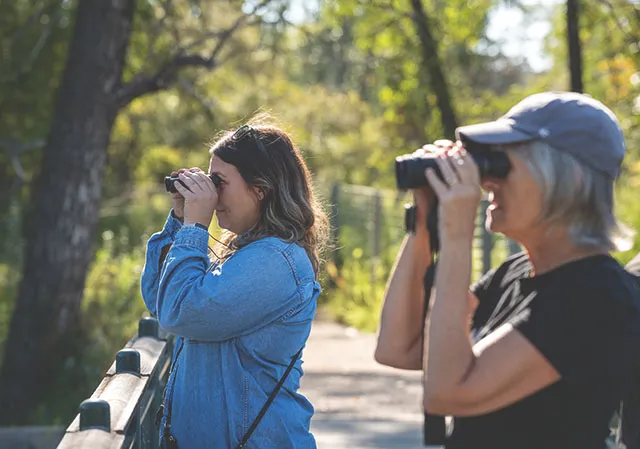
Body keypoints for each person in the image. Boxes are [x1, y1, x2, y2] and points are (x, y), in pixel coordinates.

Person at [374, 91, 640, 449]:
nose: (487, 182)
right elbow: (399, 347)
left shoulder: (596, 295)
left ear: (570, 180)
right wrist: (423, 222)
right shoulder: (517, 271)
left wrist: (457, 236)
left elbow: (448, 392)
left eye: (502, 165)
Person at [140, 118, 328, 449]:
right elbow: (161, 301)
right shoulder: (243, 254)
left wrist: (196, 228)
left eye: (219, 182)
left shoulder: (277, 261)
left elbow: (181, 312)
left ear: (260, 189)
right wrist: (182, 222)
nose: (211, 193)